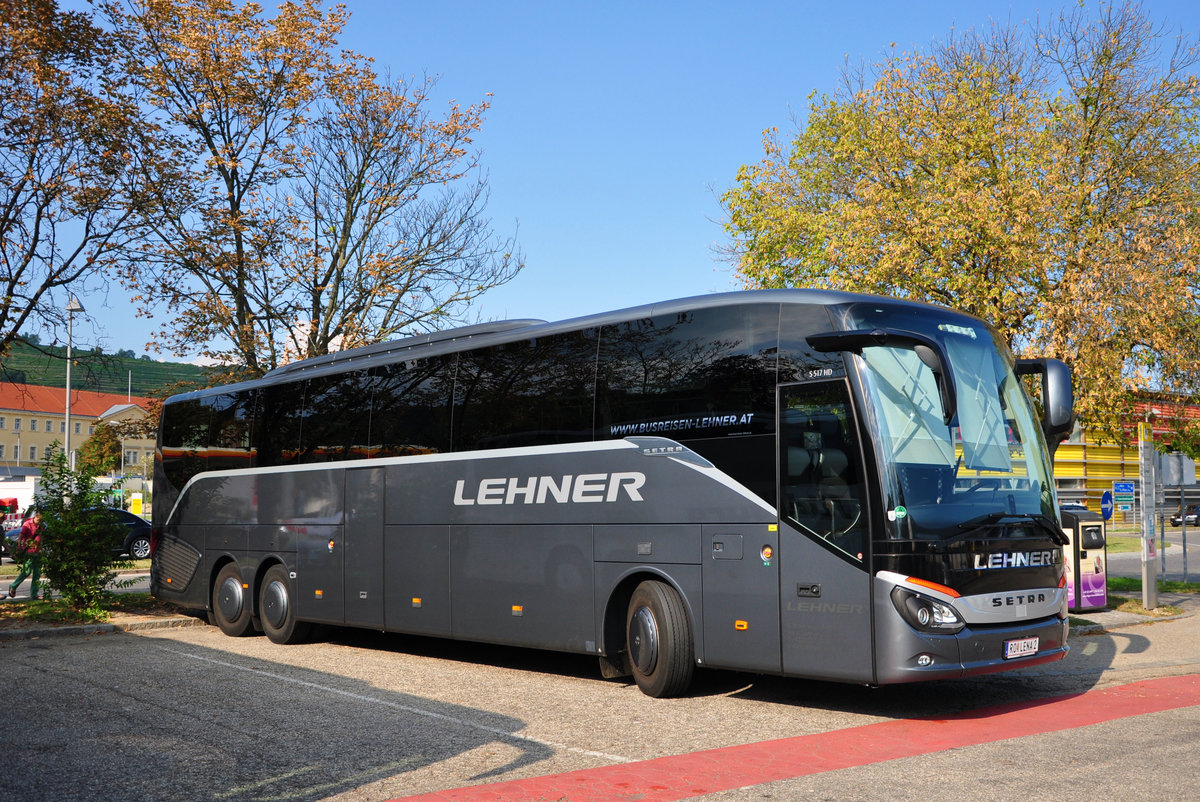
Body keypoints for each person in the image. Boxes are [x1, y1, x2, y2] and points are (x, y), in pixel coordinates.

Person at [8, 512, 42, 599]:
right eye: (39, 519)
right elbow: (20, 537)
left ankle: (34, 594)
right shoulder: (27, 524)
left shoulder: (42, 526)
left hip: (37, 552)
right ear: (36, 516)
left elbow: (42, 538)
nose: (40, 521)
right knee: (27, 572)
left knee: (37, 574)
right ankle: (13, 586)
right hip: (28, 552)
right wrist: (19, 548)